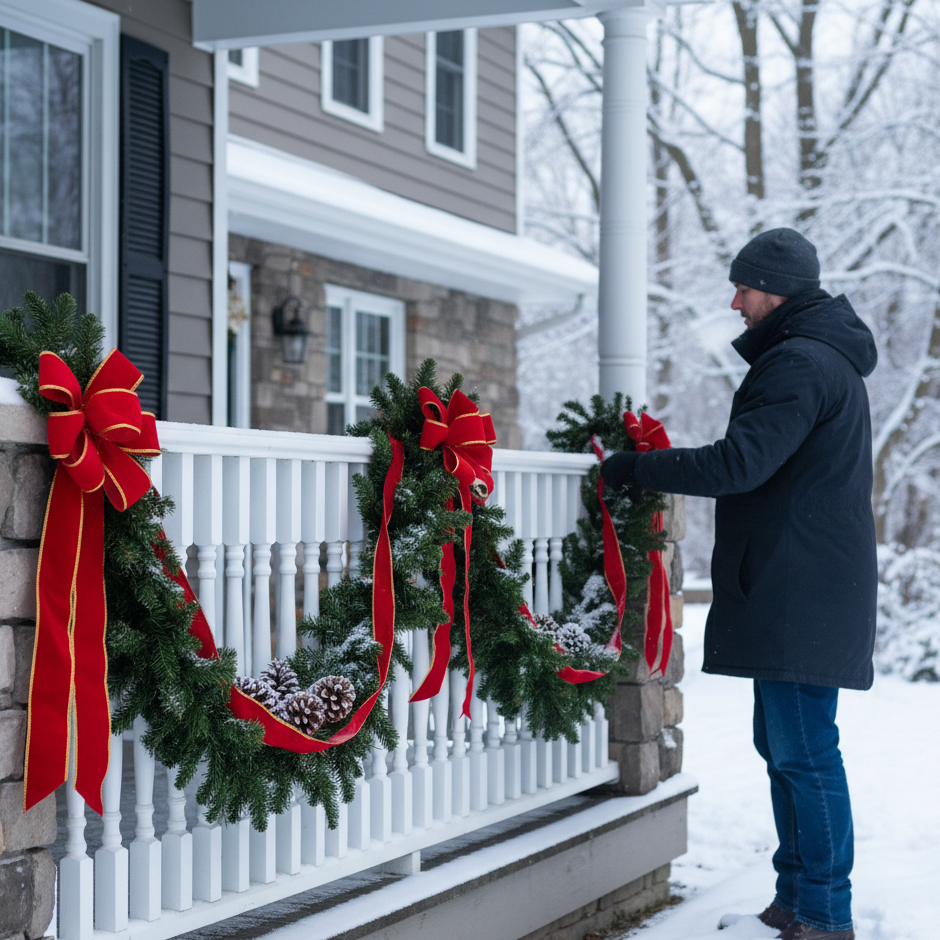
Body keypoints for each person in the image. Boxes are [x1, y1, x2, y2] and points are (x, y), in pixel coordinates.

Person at [601, 228, 877, 940]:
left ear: (777, 291)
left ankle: (823, 912)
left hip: (799, 591)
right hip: (805, 585)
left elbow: (738, 466)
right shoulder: (819, 357)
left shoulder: (801, 363)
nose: (735, 302)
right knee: (787, 747)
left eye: (745, 289)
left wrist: (635, 468)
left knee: (805, 753)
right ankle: (798, 899)